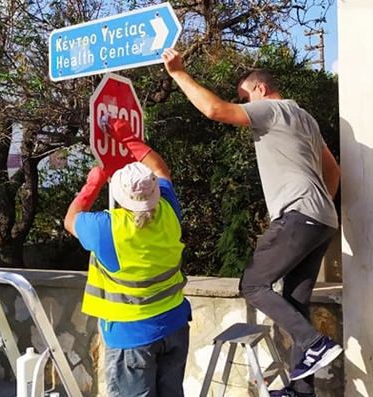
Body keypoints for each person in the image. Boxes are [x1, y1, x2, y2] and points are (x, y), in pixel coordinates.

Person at [162, 48, 342, 397]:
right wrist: (320, 206)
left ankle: (313, 341)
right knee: (293, 302)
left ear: (259, 90)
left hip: (299, 216)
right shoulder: (305, 118)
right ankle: (301, 392)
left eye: (244, 97)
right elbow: (332, 171)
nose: (244, 104)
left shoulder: (271, 109)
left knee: (253, 285)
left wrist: (177, 73)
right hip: (323, 220)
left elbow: (214, 110)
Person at [64, 116, 190, 397]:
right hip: (175, 325)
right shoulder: (169, 209)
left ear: (120, 197)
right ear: (155, 192)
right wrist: (127, 136)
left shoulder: (107, 228)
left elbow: (71, 219)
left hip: (131, 337)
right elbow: (160, 168)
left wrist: (92, 184)